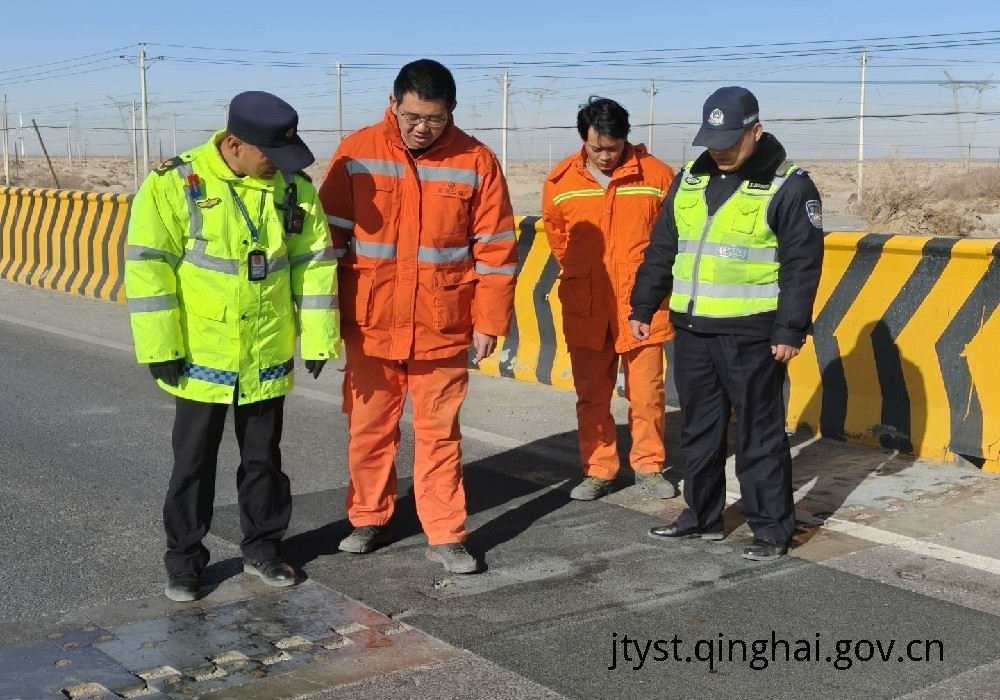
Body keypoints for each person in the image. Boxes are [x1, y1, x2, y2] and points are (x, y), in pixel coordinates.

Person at [125, 91, 341, 602]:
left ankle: (264, 548)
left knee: (264, 458)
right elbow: (148, 265)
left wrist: (318, 337)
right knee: (193, 463)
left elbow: (314, 263)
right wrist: (160, 345)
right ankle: (184, 561)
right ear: (235, 144)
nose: (278, 164)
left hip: (266, 349)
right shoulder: (175, 183)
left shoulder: (294, 188)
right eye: (271, 153)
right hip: (202, 354)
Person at [318, 59, 518, 574]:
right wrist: (322, 318)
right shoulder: (356, 152)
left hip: (442, 323)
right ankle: (369, 518)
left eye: (434, 118)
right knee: (369, 429)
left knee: (440, 434)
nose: (422, 128)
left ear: (451, 111)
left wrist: (489, 321)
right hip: (371, 321)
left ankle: (446, 533)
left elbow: (496, 249)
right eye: (412, 117)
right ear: (393, 104)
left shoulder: (476, 160)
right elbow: (327, 241)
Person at [629, 86, 824, 561]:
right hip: (692, 329)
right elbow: (663, 248)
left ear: (755, 132)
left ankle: (771, 529)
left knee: (759, 434)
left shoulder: (790, 186)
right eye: (712, 141)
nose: (719, 150)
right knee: (699, 430)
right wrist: (643, 305)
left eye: (730, 141)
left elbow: (802, 266)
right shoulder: (688, 182)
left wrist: (789, 329)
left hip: (752, 333)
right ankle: (702, 516)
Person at [541, 97, 677, 502]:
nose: (604, 156)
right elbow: (559, 241)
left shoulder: (657, 175)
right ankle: (599, 470)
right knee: (592, 396)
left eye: (613, 148)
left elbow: (670, 239)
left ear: (626, 140)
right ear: (583, 139)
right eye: (595, 147)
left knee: (647, 393)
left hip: (643, 306)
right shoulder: (560, 182)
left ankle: (649, 466)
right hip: (587, 307)